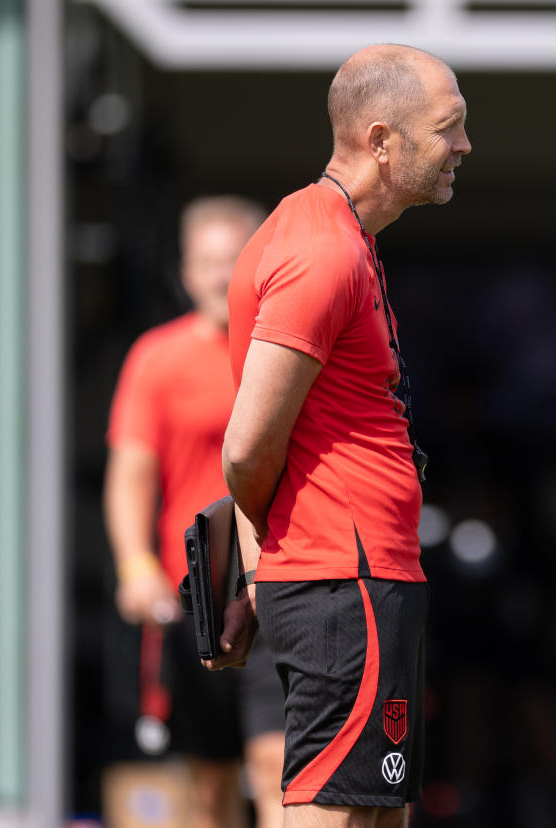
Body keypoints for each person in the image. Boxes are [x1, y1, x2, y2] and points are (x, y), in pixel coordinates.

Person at [211, 44, 471, 828]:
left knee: (377, 812)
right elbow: (248, 447)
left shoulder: (332, 234)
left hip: (350, 578)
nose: (463, 146)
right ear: (381, 140)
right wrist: (274, 556)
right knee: (337, 815)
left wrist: (264, 568)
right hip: (341, 580)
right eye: (448, 128)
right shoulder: (320, 251)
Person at [104, 196, 287, 828]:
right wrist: (134, 567)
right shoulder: (156, 357)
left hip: (278, 576)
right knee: (208, 781)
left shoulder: (283, 353)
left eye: (231, 260)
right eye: (205, 262)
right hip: (194, 591)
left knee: (275, 763)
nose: (217, 275)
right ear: (185, 272)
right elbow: (131, 472)